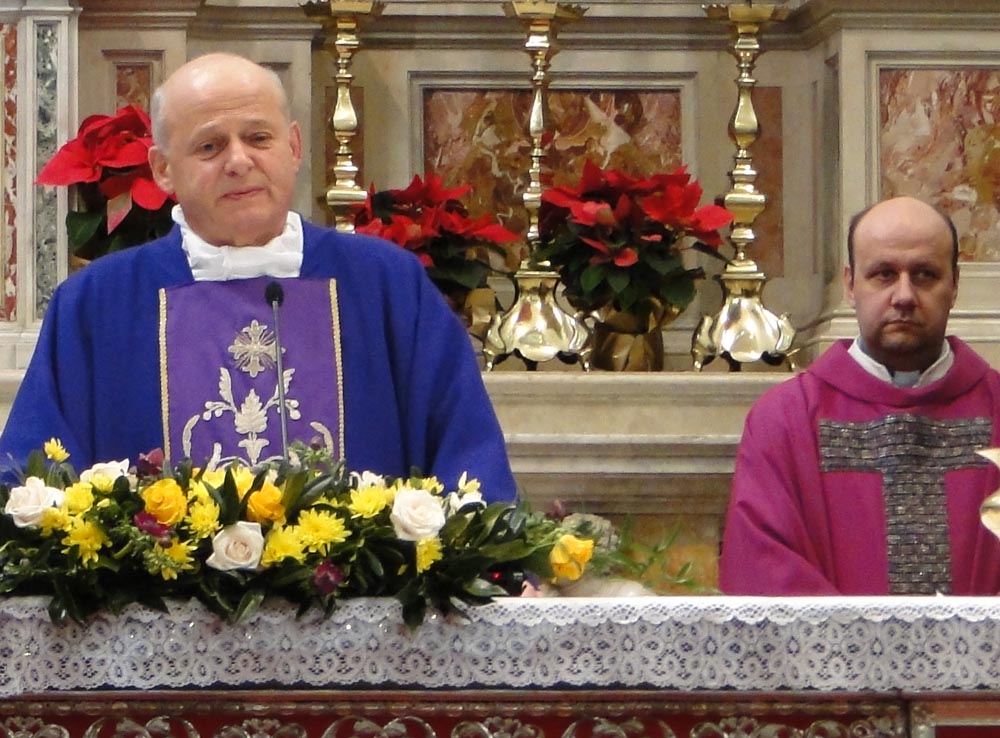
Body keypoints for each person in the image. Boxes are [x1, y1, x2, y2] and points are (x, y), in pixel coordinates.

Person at [0, 53, 517, 501]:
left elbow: (467, 457)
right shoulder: (98, 303)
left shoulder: (386, 285)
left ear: (293, 147)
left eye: (258, 138)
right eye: (209, 146)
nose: (238, 161)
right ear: (162, 169)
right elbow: (33, 481)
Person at [719, 196, 1000, 595]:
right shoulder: (785, 421)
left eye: (925, 275)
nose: (904, 295)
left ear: (954, 285)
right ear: (850, 285)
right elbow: (763, 572)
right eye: (884, 274)